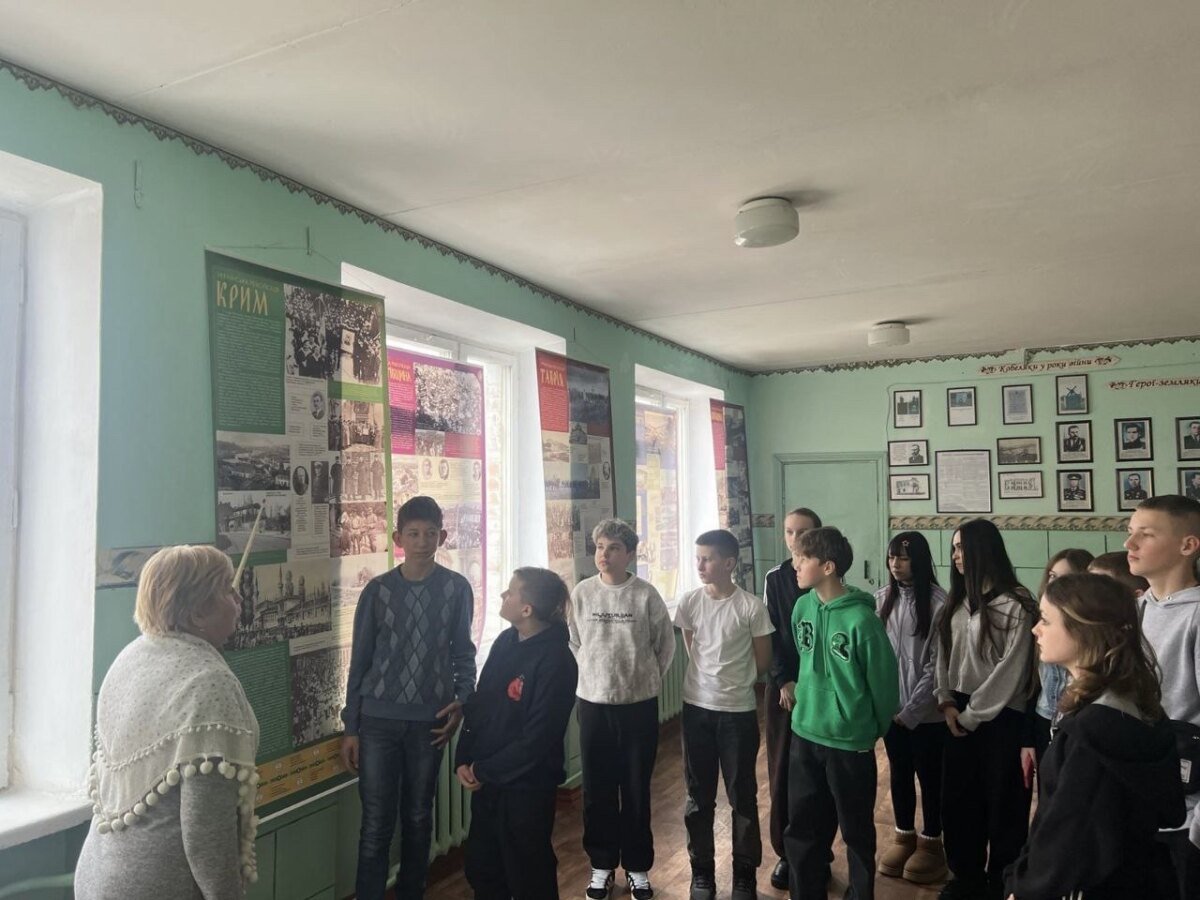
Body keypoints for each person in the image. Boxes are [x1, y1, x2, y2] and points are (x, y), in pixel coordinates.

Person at [75, 546, 260, 900]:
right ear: (198, 611)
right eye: (227, 589)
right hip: (160, 883)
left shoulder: (131, 656)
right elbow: (205, 830)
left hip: (99, 874)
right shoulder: (207, 682)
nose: (238, 598)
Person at [1003, 573, 1185, 899]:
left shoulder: (1095, 731)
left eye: (1046, 620)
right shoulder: (1131, 701)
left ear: (1085, 630)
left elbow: (1068, 836)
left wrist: (1025, 888)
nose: (1035, 629)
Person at [341, 496, 477, 900]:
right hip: (377, 722)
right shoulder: (378, 591)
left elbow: (463, 652)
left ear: (443, 537)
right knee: (376, 823)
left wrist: (463, 699)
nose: (422, 542)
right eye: (413, 534)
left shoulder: (456, 588)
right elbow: (360, 661)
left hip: (429, 721)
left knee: (418, 817)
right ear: (398, 538)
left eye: (430, 534)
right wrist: (352, 727)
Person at [786, 527, 898, 900]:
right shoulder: (802, 607)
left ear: (828, 567)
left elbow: (883, 684)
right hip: (805, 733)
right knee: (802, 827)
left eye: (803, 558)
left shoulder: (863, 621)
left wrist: (867, 729)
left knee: (856, 831)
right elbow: (804, 660)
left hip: (850, 742)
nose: (795, 564)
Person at [455, 568, 579, 900]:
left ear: (527, 609)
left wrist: (484, 769)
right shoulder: (505, 642)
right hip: (489, 780)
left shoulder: (557, 661)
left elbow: (538, 738)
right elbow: (480, 704)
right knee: (483, 867)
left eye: (510, 592)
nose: (503, 596)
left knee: (527, 872)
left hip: (527, 786)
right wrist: (464, 758)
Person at [569, 519, 676, 900]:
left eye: (613, 547)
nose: (604, 554)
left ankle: (637, 866)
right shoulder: (582, 593)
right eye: (600, 546)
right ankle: (601, 865)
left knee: (635, 789)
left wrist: (642, 680)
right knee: (596, 790)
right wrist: (595, 675)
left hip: (637, 706)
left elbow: (665, 647)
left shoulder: (645, 595)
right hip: (593, 704)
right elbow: (575, 641)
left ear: (629, 554)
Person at [934, 519, 1037, 900]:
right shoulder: (956, 601)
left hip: (1001, 715)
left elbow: (1012, 671)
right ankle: (967, 877)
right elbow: (943, 655)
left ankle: (1001, 881)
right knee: (960, 800)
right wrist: (946, 700)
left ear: (984, 550)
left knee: (1004, 804)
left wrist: (972, 715)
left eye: (962, 548)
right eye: (954, 548)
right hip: (957, 712)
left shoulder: (1016, 604)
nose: (956, 556)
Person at [674, 529, 774, 900]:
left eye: (708, 558)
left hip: (737, 713)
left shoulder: (750, 607)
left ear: (729, 563)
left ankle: (744, 875)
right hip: (696, 709)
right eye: (697, 558)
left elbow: (762, 660)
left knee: (742, 795)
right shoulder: (690, 602)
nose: (700, 565)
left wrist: (734, 682)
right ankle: (702, 872)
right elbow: (692, 646)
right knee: (698, 795)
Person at [1126, 495, 1200, 899]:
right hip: (1138, 801)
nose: (1130, 543)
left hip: (1185, 815)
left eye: (1146, 534)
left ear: (1188, 545)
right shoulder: (1137, 610)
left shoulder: (1195, 615)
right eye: (1129, 532)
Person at [875, 532, 949, 885]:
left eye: (903, 558)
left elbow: (937, 665)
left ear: (918, 560)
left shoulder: (939, 603)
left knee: (930, 777)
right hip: (891, 712)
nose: (896, 564)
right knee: (899, 773)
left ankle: (932, 841)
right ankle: (903, 836)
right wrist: (887, 707)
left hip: (927, 715)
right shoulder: (880, 600)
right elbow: (876, 659)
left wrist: (912, 711)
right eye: (892, 557)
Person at [762, 507, 821, 891]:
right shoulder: (776, 578)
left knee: (817, 775)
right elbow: (771, 633)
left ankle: (818, 852)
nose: (795, 539)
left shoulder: (826, 573)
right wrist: (784, 680)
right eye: (789, 531)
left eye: (803, 532)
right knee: (782, 770)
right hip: (784, 689)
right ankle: (785, 852)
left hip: (820, 690)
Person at [1026, 548, 1093, 774]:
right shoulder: (1044, 626)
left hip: (1076, 719)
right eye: (1053, 576)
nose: (1056, 585)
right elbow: (1032, 683)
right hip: (1045, 717)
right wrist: (1027, 738)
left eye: (1066, 578)